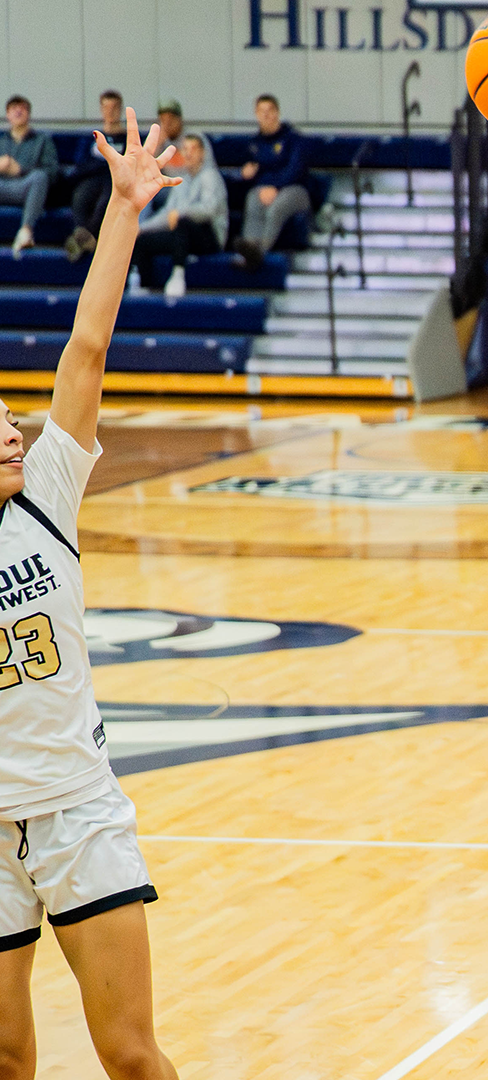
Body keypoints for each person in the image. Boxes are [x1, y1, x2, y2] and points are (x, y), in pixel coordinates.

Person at [0, 107, 183, 1080]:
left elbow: (86, 347)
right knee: (5, 1055)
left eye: (5, 417)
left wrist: (122, 212)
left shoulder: (49, 495)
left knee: (130, 1054)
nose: (8, 432)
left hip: (74, 809)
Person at [131, 134, 225, 297]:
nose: (188, 154)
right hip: (183, 236)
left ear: (202, 153)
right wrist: (140, 228)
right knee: (143, 239)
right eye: (185, 149)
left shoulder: (210, 176)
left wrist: (181, 213)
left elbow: (209, 210)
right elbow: (167, 214)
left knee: (183, 222)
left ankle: (177, 275)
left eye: (193, 149)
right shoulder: (181, 181)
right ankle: (144, 285)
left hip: (210, 237)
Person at [232, 94, 311, 272]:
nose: (266, 116)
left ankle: (259, 252)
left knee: (277, 207)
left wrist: (275, 186)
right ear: (256, 114)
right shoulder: (254, 144)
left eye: (270, 111)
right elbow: (251, 172)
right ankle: (248, 249)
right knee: (253, 199)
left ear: (277, 113)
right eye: (262, 112)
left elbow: (295, 171)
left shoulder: (294, 139)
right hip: (264, 189)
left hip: (296, 191)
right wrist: (245, 175)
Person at [64, 90, 129, 262]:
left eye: (114, 108)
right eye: (106, 108)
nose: (110, 112)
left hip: (115, 181)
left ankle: (83, 237)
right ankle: (85, 236)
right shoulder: (91, 137)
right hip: (91, 179)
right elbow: (81, 165)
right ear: (101, 110)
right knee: (80, 196)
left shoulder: (128, 138)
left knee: (106, 201)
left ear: (120, 109)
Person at [0, 96, 58, 258]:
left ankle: (25, 231)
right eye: (14, 108)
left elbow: (52, 173)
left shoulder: (42, 141)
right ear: (7, 114)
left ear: (29, 114)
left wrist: (21, 170)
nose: (18, 111)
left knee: (39, 177)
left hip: (26, 188)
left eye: (23, 108)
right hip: (2, 186)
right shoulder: (1, 141)